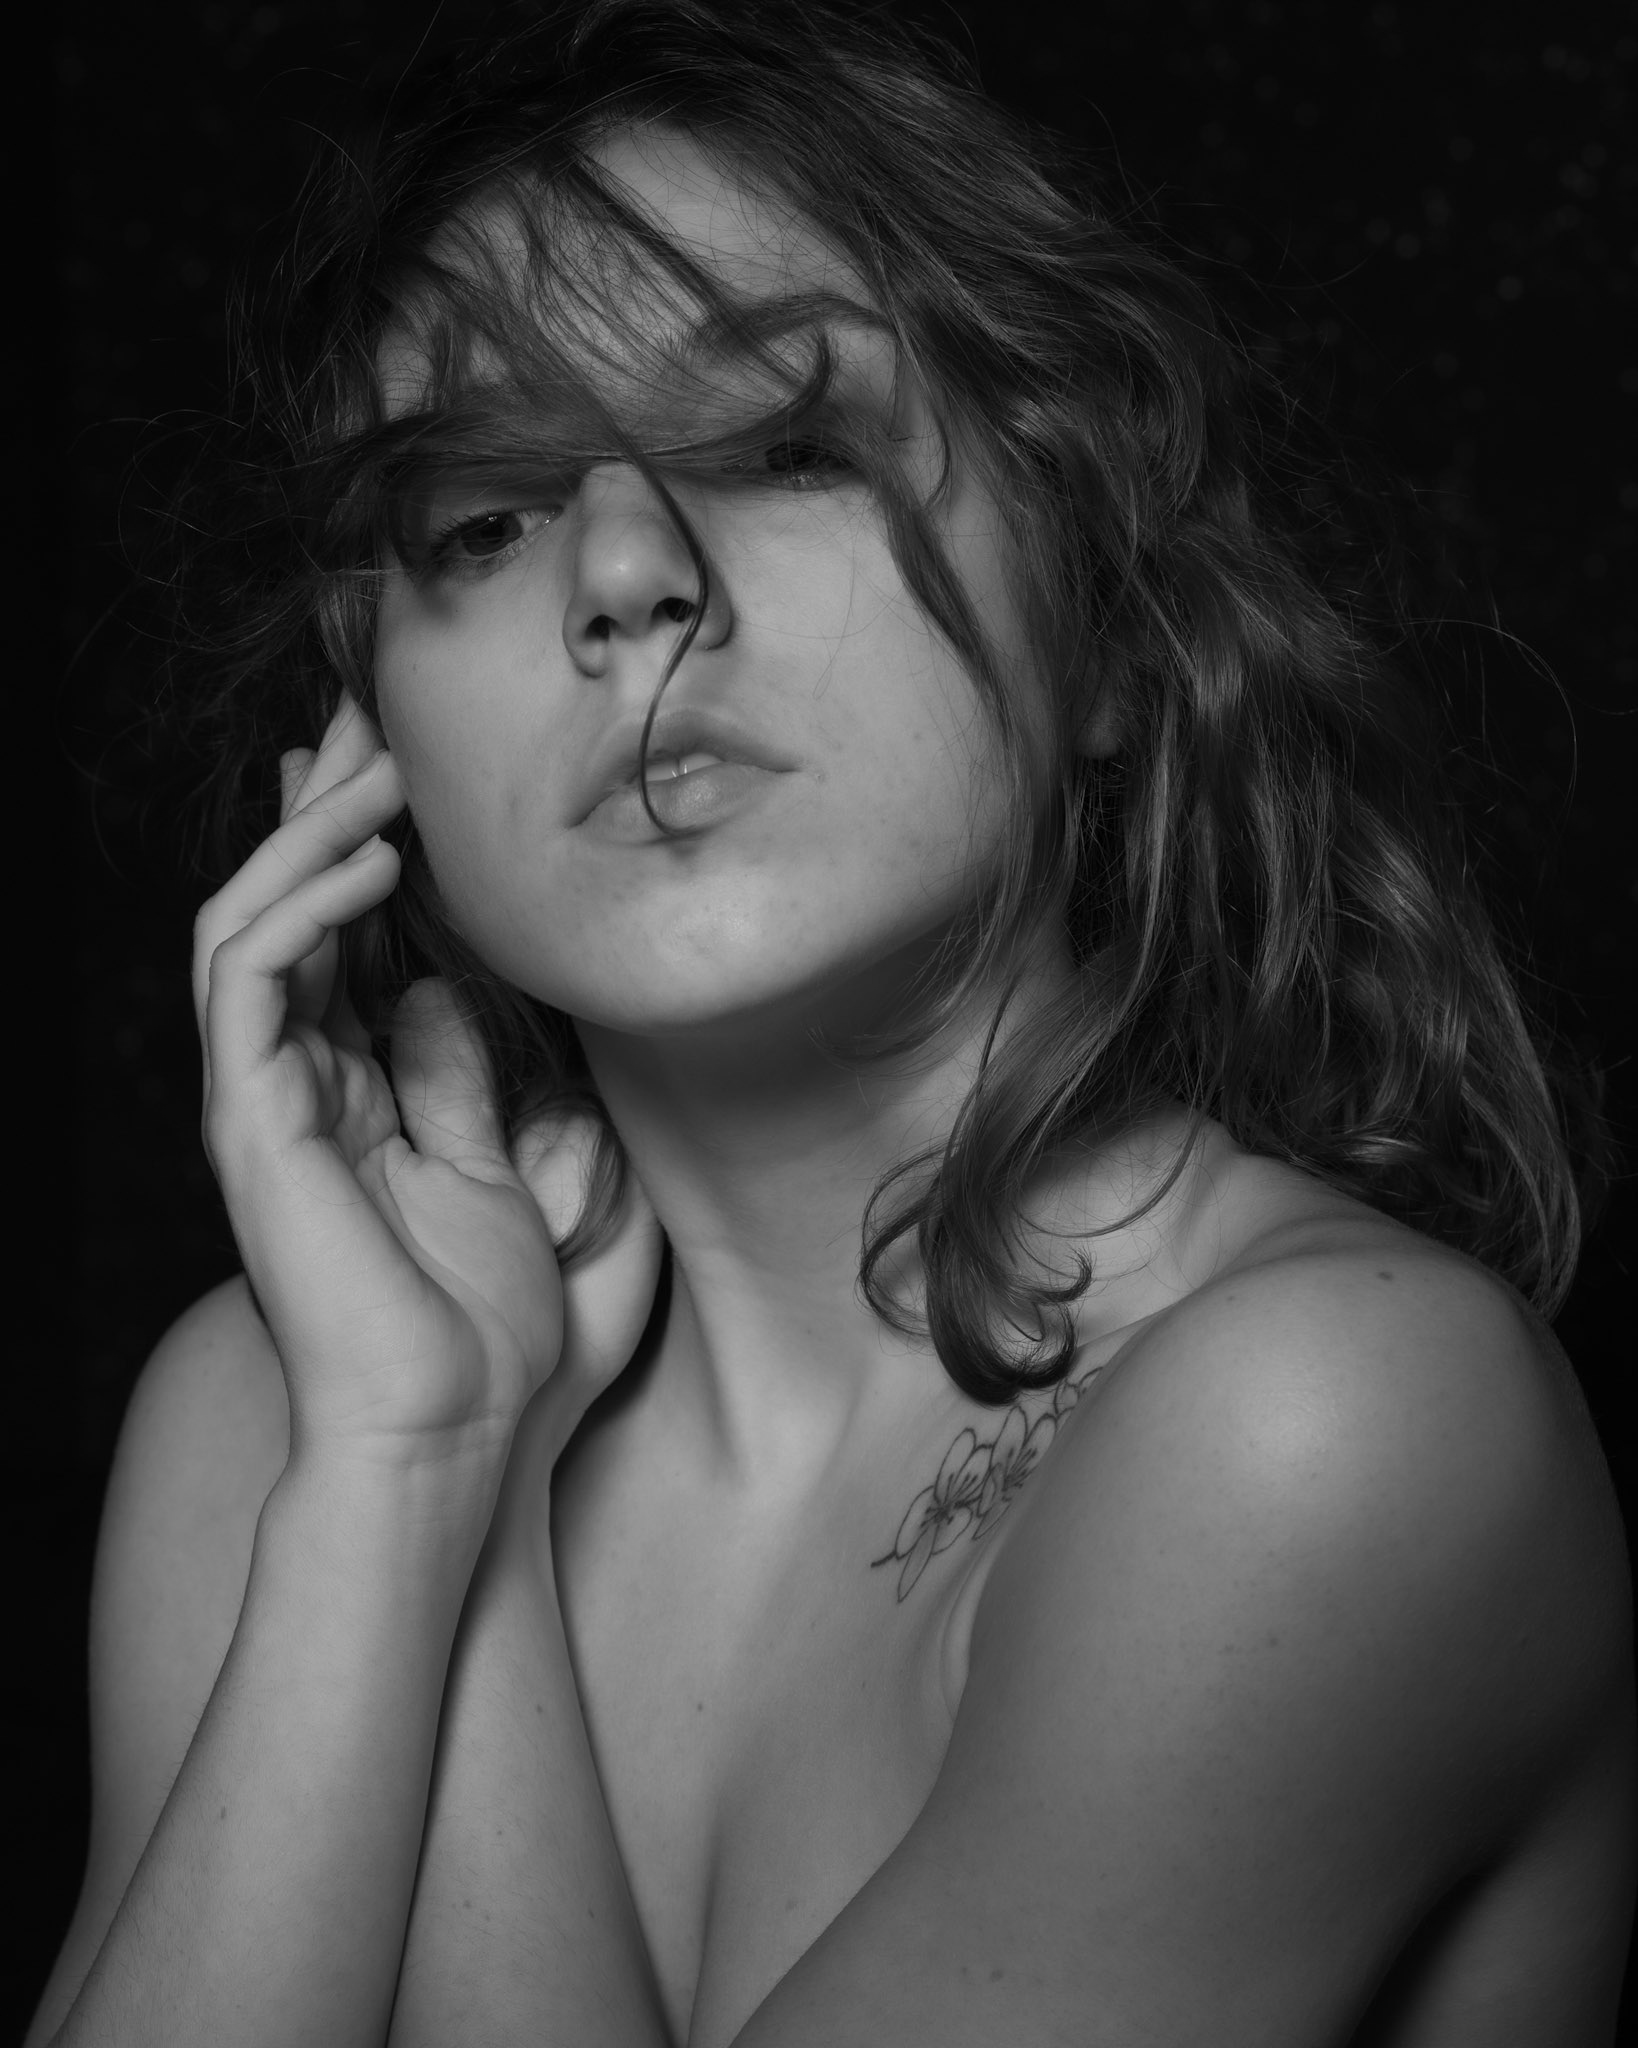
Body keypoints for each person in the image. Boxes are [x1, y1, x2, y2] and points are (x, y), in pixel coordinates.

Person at [31, 2, 1633, 2042]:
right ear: (372, 741)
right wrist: (401, 1457)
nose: (625, 573)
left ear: (1111, 624)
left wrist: (462, 1523)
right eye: (483, 519)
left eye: (789, 445)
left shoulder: (1320, 1424)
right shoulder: (282, 1409)